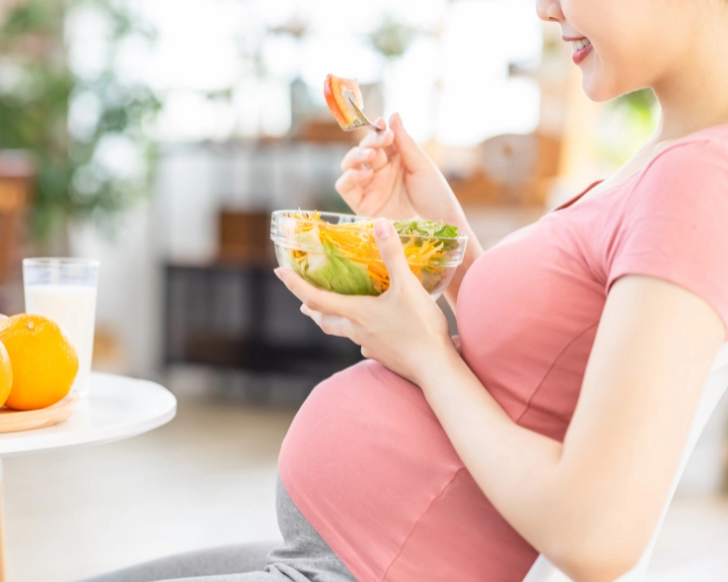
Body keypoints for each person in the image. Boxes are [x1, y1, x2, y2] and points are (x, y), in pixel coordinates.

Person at [90, 0, 728, 580]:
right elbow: (538, 368)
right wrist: (439, 239)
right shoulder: (672, 154)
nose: (544, 7)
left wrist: (426, 355)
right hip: (336, 553)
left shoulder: (698, 178)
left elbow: (599, 535)